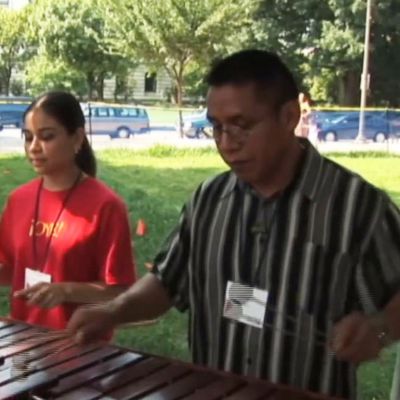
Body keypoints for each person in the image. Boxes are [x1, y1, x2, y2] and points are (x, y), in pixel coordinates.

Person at [67, 50, 400, 399]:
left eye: (242, 126)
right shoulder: (209, 200)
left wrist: (379, 329)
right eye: (217, 127)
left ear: (289, 116)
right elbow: (167, 281)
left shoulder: (357, 207)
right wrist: (112, 311)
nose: (226, 144)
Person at [0, 91, 136, 331]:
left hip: (78, 349)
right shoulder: (18, 200)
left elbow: (120, 291)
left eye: (47, 137)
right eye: (28, 137)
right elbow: (9, 270)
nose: (34, 148)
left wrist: (65, 291)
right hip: (22, 342)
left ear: (77, 138)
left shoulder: (106, 206)